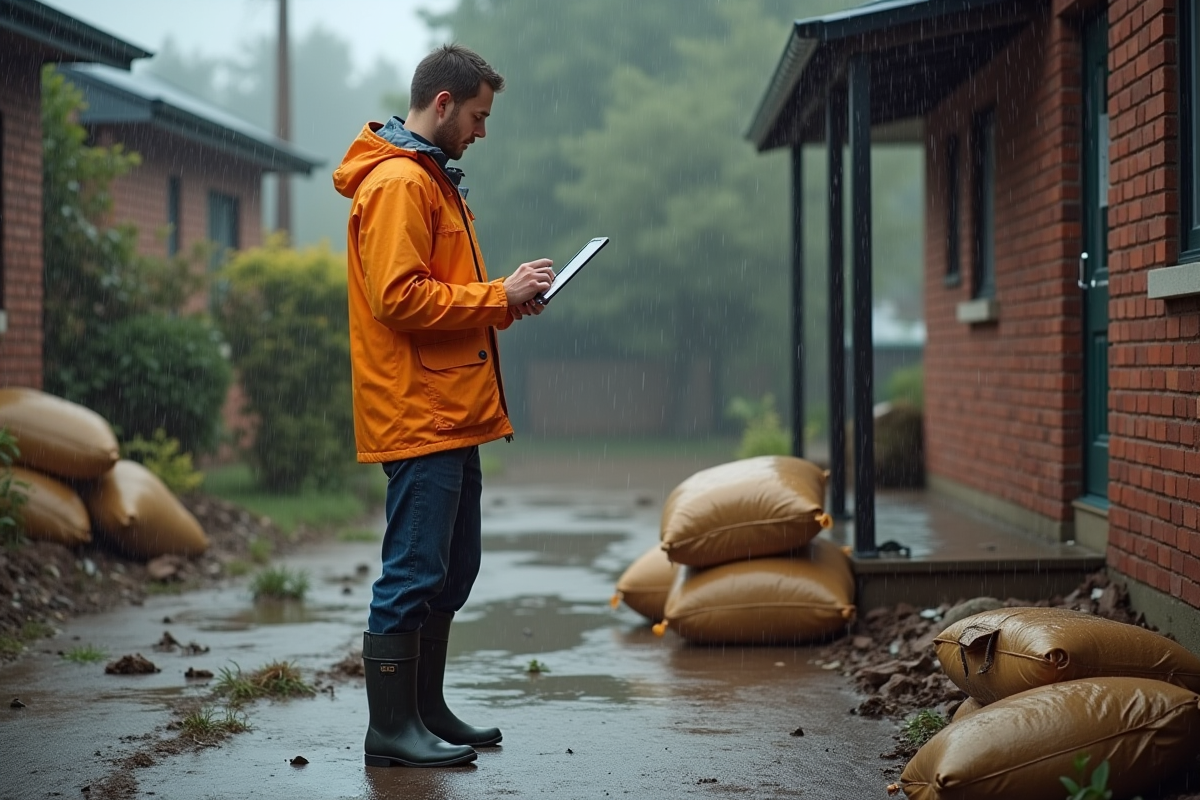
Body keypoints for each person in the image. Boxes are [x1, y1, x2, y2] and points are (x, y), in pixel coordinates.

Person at [332, 44, 555, 768]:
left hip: (449, 412)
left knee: (451, 573)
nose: (482, 132)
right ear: (442, 104)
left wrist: (502, 306)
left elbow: (436, 296)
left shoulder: (434, 181)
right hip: (419, 413)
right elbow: (397, 298)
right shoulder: (400, 183)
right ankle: (390, 731)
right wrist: (498, 295)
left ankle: (423, 711)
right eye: (479, 116)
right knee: (413, 574)